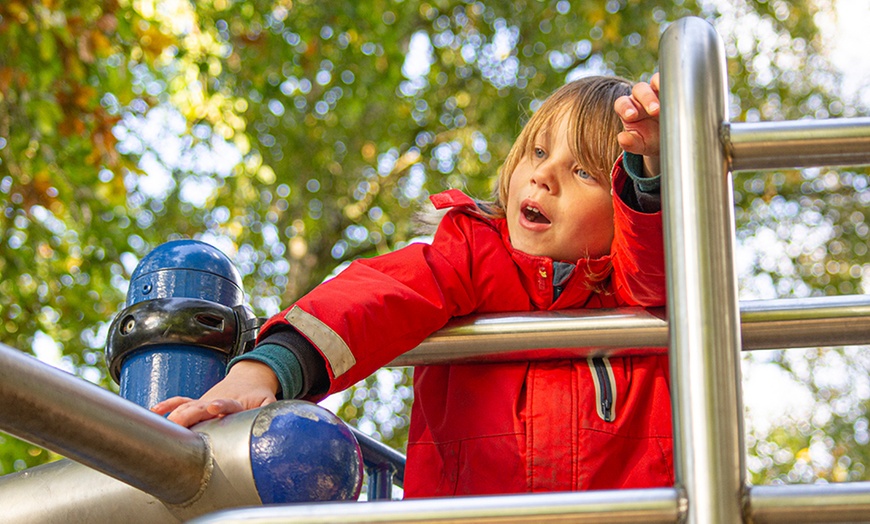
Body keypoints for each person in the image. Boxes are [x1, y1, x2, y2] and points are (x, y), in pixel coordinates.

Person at [153, 73, 672, 496]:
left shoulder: (634, 292)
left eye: (582, 171)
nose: (544, 177)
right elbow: (374, 296)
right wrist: (263, 373)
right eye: (538, 153)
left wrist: (648, 173)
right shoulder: (472, 255)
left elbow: (653, 260)